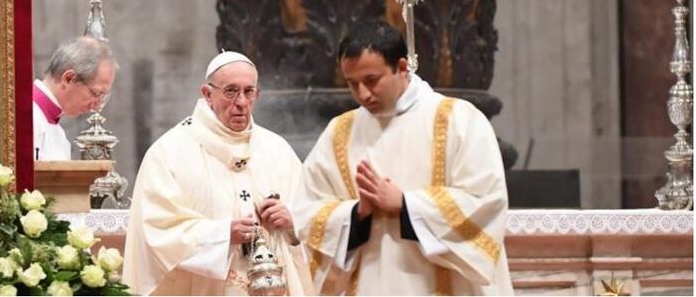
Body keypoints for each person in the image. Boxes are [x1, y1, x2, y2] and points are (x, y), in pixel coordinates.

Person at [291, 22, 513, 295]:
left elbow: (486, 199)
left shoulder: (459, 120)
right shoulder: (340, 132)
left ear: (402, 67)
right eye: (352, 84)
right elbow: (307, 212)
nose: (362, 94)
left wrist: (406, 204)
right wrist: (356, 214)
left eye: (372, 80)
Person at [124, 51, 313, 295]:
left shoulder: (276, 149)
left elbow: (312, 216)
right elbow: (156, 228)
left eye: (249, 92)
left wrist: (291, 221)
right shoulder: (169, 152)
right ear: (207, 94)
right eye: (231, 91)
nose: (242, 102)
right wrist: (223, 235)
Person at [33, 36, 117, 161]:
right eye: (95, 93)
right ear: (68, 79)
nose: (97, 106)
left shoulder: (58, 132)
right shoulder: (28, 116)